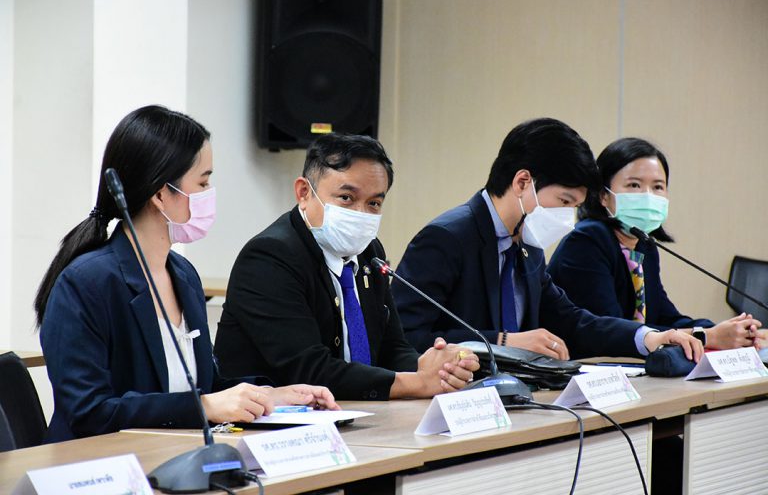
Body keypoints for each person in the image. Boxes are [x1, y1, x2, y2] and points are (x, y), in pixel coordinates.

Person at [36, 105, 338, 443]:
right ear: (161, 194)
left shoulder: (183, 275)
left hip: (174, 455)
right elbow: (89, 412)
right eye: (203, 181)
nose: (210, 193)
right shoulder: (85, 283)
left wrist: (270, 396)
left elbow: (204, 387)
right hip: (102, 463)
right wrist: (204, 406)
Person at [393, 118, 704, 361]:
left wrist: (648, 337)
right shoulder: (447, 238)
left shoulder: (527, 245)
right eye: (564, 201)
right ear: (522, 182)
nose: (568, 217)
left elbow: (571, 320)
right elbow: (405, 338)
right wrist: (502, 342)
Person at [214, 132, 480, 400]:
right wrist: (418, 383)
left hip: (353, 411)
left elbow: (392, 349)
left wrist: (435, 369)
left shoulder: (369, 252)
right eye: (346, 198)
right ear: (304, 192)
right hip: (269, 418)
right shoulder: (270, 257)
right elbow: (310, 370)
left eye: (374, 203)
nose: (360, 214)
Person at [547, 137, 763, 349]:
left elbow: (666, 317)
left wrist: (730, 331)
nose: (648, 196)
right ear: (604, 195)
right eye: (634, 185)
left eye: (658, 187)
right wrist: (706, 336)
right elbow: (609, 329)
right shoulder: (587, 240)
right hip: (582, 364)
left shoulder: (644, 246)